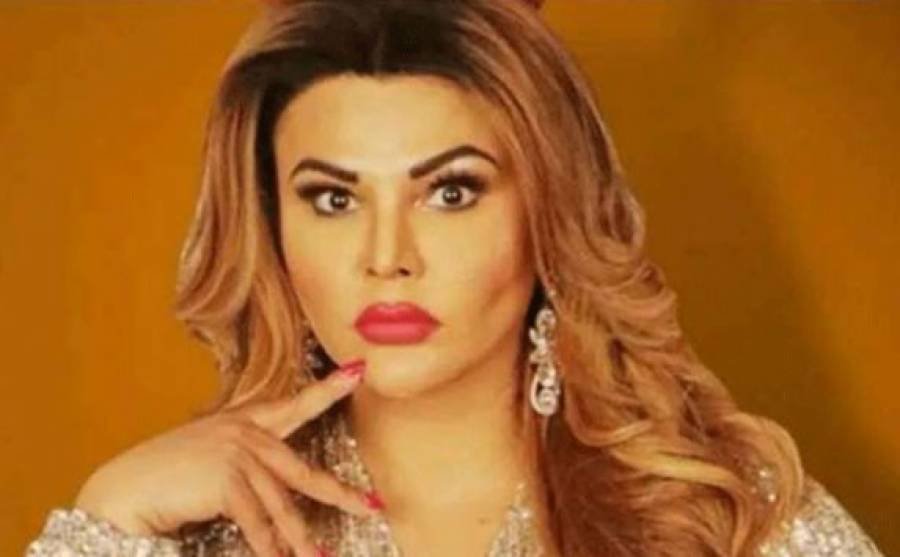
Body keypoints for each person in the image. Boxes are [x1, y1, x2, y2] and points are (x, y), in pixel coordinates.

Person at [25, 0, 884, 555]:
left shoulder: (730, 519)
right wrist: (107, 514)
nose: (387, 254)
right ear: (272, 228)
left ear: (547, 211)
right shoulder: (181, 530)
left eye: (450, 191)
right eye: (333, 198)